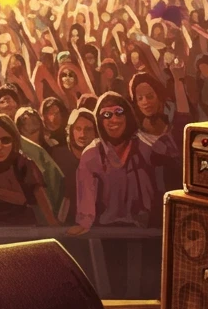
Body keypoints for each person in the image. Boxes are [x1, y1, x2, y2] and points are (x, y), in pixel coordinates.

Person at [67, 92, 168, 235]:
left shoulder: (146, 148)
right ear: (99, 121)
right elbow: (86, 203)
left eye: (119, 113)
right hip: (106, 232)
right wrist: (84, 223)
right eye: (107, 115)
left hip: (146, 230)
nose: (114, 119)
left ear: (128, 116)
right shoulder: (91, 155)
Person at [0, 114, 57, 228]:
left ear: (14, 140)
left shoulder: (24, 163)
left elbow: (33, 199)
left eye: (5, 140)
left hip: (23, 227)